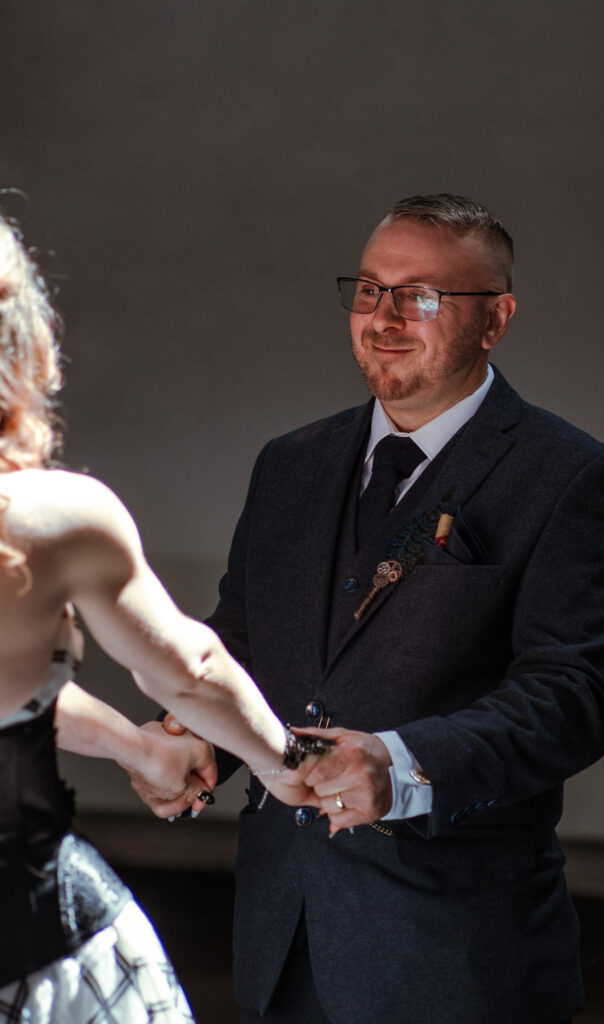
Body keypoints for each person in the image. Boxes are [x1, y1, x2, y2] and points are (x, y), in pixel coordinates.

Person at [136, 194, 604, 1024]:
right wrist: (198, 738)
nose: (384, 317)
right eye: (370, 290)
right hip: (282, 927)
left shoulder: (575, 479)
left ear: (496, 319)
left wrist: (404, 764)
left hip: (456, 951)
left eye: (423, 297)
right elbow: (242, 644)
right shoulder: (290, 463)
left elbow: (571, 697)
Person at [0, 210, 325, 1023]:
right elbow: (190, 670)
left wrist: (139, 747)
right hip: (28, 949)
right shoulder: (50, 516)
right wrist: (289, 767)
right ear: (28, 351)